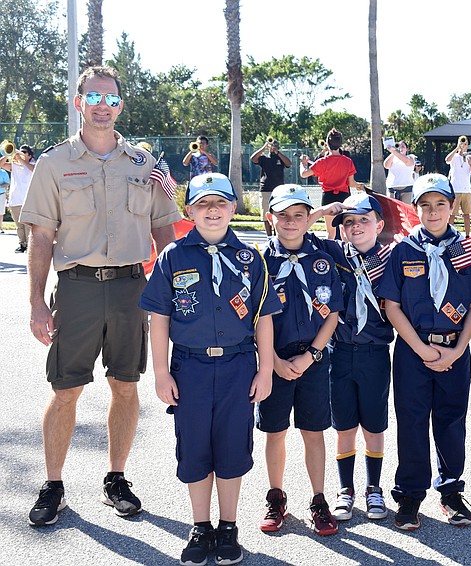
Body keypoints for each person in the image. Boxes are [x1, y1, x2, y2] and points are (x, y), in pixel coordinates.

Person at [21, 65, 181, 528]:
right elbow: (42, 237)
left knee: (125, 384)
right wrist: (36, 300)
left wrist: (172, 294)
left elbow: (164, 233)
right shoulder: (54, 164)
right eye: (94, 97)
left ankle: (116, 479)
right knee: (66, 388)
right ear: (79, 103)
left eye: (111, 99)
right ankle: (54, 486)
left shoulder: (143, 164)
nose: (103, 106)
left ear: (120, 106)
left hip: (133, 287)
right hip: (78, 288)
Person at [139, 173, 281, 566]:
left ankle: (228, 527)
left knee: (233, 446)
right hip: (190, 367)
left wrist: (265, 368)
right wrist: (161, 372)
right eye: (203, 204)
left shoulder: (251, 259)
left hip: (238, 364)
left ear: (234, 208)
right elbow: (160, 317)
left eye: (220, 203)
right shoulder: (173, 256)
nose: (213, 211)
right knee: (195, 447)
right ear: (190, 211)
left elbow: (264, 317)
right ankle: (201, 526)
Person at [377, 173, 471, 531]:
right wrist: (421, 348)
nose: (433, 211)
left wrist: (457, 351)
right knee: (410, 422)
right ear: (416, 208)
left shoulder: (467, 250)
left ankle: (451, 489)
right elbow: (391, 305)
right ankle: (409, 494)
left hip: (455, 349)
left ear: (453, 207)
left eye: (441, 204)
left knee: (451, 421)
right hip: (413, 349)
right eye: (425, 204)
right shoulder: (403, 249)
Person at [256, 184, 343, 536]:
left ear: (310, 219)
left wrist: (311, 355)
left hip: (313, 360)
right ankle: (276, 496)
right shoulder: (260, 262)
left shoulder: (322, 259)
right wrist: (273, 360)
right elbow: (253, 316)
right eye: (283, 215)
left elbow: (333, 313)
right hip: (272, 363)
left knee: (313, 431)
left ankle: (318, 499)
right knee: (274, 432)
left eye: (298, 215)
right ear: (270, 218)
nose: (290, 222)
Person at [308, 193, 394, 523]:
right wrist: (322, 211)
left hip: (374, 353)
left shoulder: (390, 259)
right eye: (349, 222)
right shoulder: (332, 254)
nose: (356, 227)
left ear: (379, 224)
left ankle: (374, 487)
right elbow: (294, 234)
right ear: (341, 228)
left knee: (374, 425)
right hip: (339, 353)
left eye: (363, 220)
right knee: (344, 425)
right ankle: (346, 489)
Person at [300, 128, 365, 239]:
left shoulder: (322, 162)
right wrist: (359, 186)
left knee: (331, 233)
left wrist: (303, 163)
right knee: (345, 233)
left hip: (328, 197)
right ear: (340, 144)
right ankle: (347, 255)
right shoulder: (347, 161)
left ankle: (330, 254)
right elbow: (351, 183)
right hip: (344, 197)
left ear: (328, 144)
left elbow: (304, 174)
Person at [251, 139, 292, 236]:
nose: (274, 146)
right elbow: (253, 159)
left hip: (279, 191)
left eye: (276, 145)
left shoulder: (281, 158)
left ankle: (277, 236)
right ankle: (269, 237)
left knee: (278, 214)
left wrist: (278, 153)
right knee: (266, 214)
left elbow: (288, 164)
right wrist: (264, 148)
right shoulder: (264, 158)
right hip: (266, 189)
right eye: (272, 145)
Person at [445, 136, 471, 238]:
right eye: (461, 142)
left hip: (466, 190)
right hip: (455, 189)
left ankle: (467, 236)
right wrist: (457, 148)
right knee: (452, 215)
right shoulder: (454, 157)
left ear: (468, 145)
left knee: (467, 215)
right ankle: (449, 235)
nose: (463, 145)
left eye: (465, 143)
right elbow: (447, 160)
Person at [384, 140, 417, 204]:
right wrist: (393, 152)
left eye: (403, 146)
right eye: (399, 146)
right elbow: (386, 165)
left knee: (407, 211)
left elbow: (407, 162)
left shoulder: (411, 157)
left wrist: (395, 152)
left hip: (407, 189)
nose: (400, 148)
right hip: (392, 189)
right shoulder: (392, 158)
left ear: (407, 149)